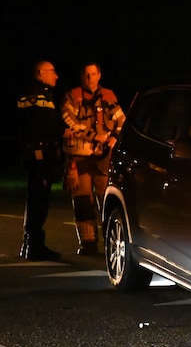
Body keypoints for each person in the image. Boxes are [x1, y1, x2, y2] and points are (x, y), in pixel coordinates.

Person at [61, 61, 125, 256]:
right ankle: (87, 243)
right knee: (82, 200)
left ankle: (110, 240)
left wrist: (114, 137)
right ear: (82, 77)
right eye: (86, 75)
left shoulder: (109, 96)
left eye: (93, 74)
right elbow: (68, 119)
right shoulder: (72, 96)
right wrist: (93, 135)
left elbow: (121, 120)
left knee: (106, 199)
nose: (90, 78)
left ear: (99, 75)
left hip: (103, 157)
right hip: (79, 157)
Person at [14, 60, 64, 261]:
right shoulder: (37, 97)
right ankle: (33, 245)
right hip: (40, 157)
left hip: (38, 156)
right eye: (53, 72)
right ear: (41, 73)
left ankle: (30, 244)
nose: (56, 76)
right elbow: (44, 128)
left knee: (36, 199)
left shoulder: (38, 94)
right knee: (38, 200)